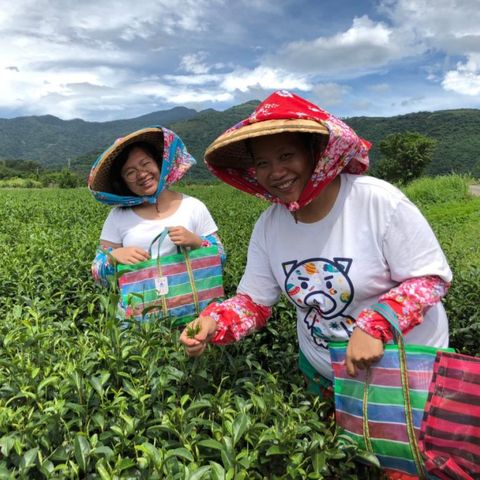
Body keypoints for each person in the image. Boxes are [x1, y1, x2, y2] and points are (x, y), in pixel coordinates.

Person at [179, 90, 451, 397]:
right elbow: (254, 302)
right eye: (263, 163)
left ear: (315, 153)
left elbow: (429, 278)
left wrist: (377, 323)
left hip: (404, 372)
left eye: (286, 156)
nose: (276, 172)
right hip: (325, 375)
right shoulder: (269, 225)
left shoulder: (376, 201)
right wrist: (214, 322)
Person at [88, 126, 225, 320]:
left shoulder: (193, 206)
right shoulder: (118, 216)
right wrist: (113, 257)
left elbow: (221, 258)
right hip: (141, 326)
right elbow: (97, 273)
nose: (141, 174)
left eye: (146, 163)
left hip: (195, 314)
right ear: (123, 182)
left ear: (160, 164)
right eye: (130, 172)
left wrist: (197, 242)